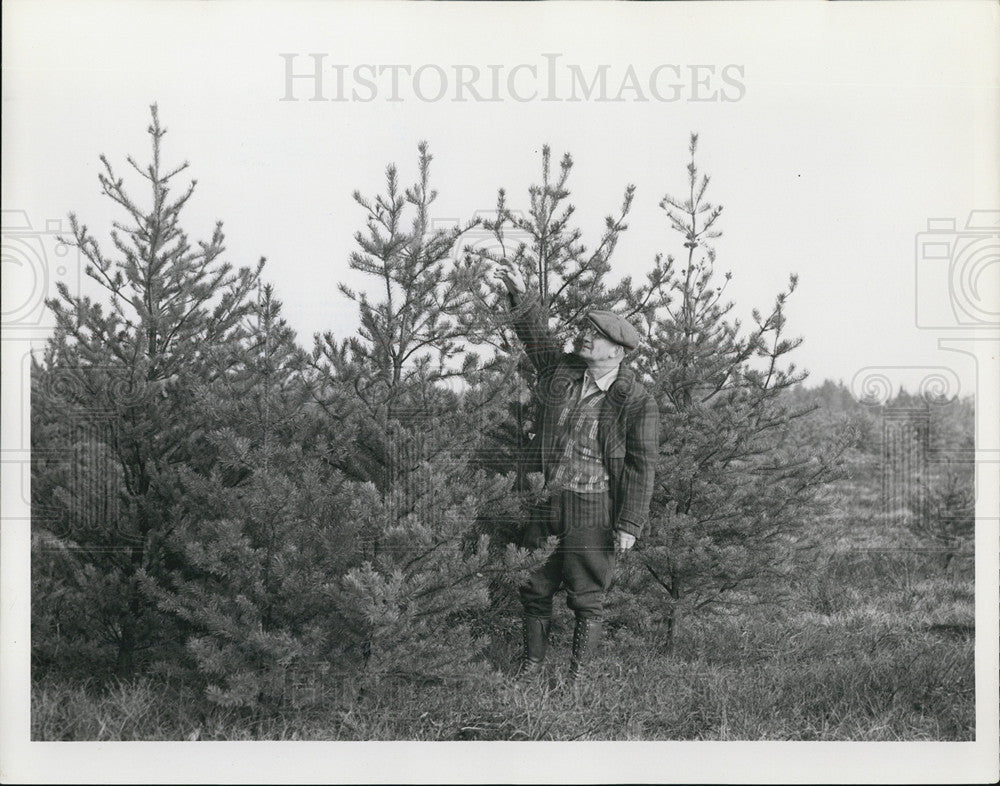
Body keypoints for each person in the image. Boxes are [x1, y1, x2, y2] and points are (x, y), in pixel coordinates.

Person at [492, 261, 659, 681]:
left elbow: (642, 465)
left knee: (588, 598)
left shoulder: (635, 401)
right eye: (586, 331)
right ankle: (531, 666)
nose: (585, 336)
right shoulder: (562, 373)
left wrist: (630, 523)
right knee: (534, 587)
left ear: (617, 352)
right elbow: (536, 338)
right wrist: (521, 297)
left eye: (596, 336)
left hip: (593, 508)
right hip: (543, 500)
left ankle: (579, 677)